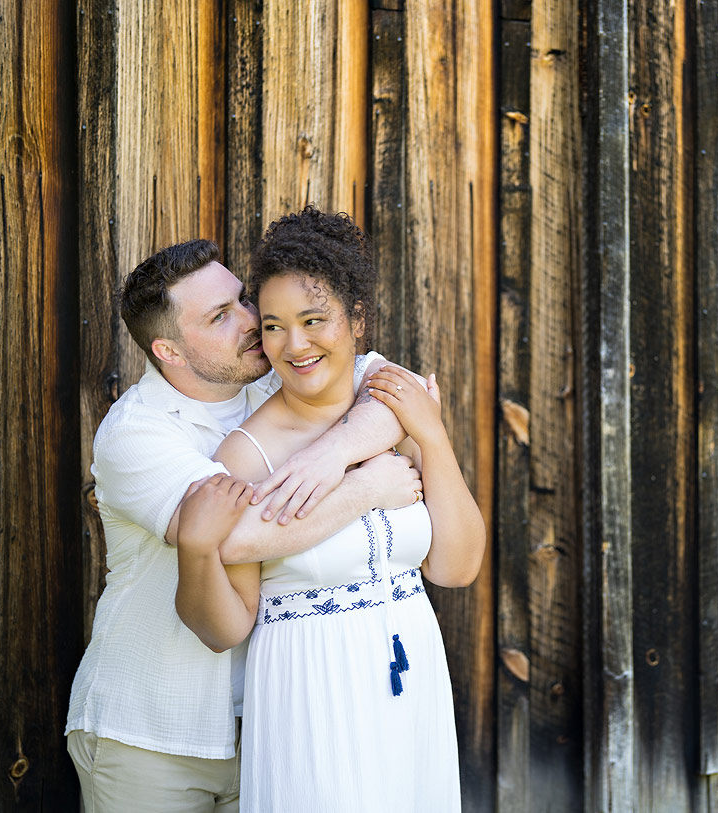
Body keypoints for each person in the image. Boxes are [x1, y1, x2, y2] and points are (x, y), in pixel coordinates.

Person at [65, 239, 421, 812]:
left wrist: (331, 454)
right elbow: (234, 538)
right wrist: (362, 488)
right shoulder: (137, 433)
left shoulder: (274, 376)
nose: (253, 323)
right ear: (170, 350)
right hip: (152, 733)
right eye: (220, 316)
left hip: (268, 722)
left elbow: (394, 386)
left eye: (242, 301)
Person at [175, 207, 485, 812]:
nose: (294, 345)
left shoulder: (395, 406)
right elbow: (226, 627)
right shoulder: (247, 455)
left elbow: (455, 568)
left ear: (356, 319)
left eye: (313, 320)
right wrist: (198, 551)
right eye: (273, 326)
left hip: (412, 675)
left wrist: (434, 436)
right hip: (311, 688)